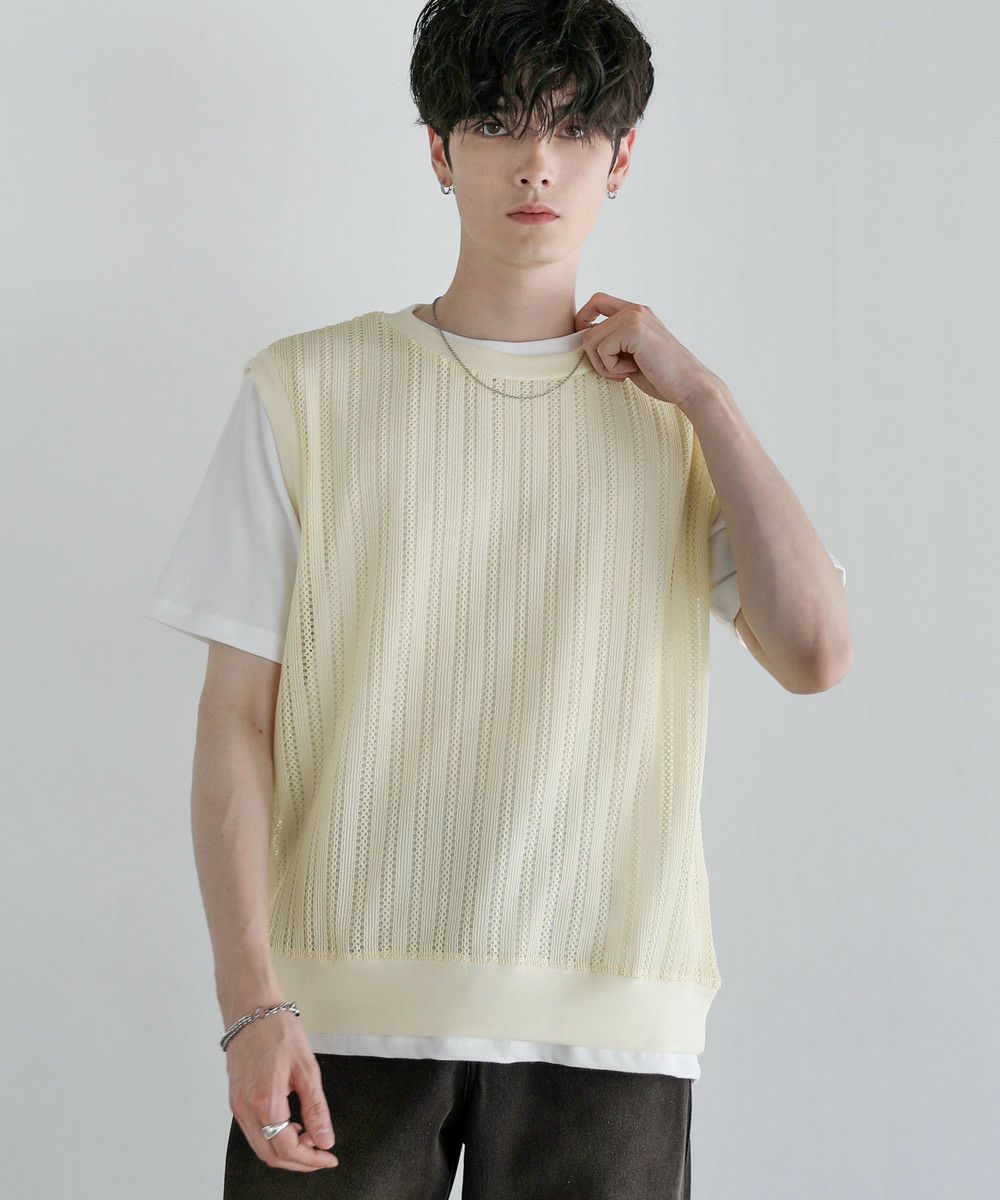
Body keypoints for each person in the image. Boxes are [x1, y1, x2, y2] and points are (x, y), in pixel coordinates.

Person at [145, 2, 851, 1196]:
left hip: (608, 1026)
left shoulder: (675, 425)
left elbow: (816, 653)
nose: (535, 162)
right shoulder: (304, 392)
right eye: (496, 123)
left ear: (621, 158)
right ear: (437, 148)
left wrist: (708, 400)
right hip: (336, 1023)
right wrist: (249, 1002)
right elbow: (236, 722)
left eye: (573, 128)